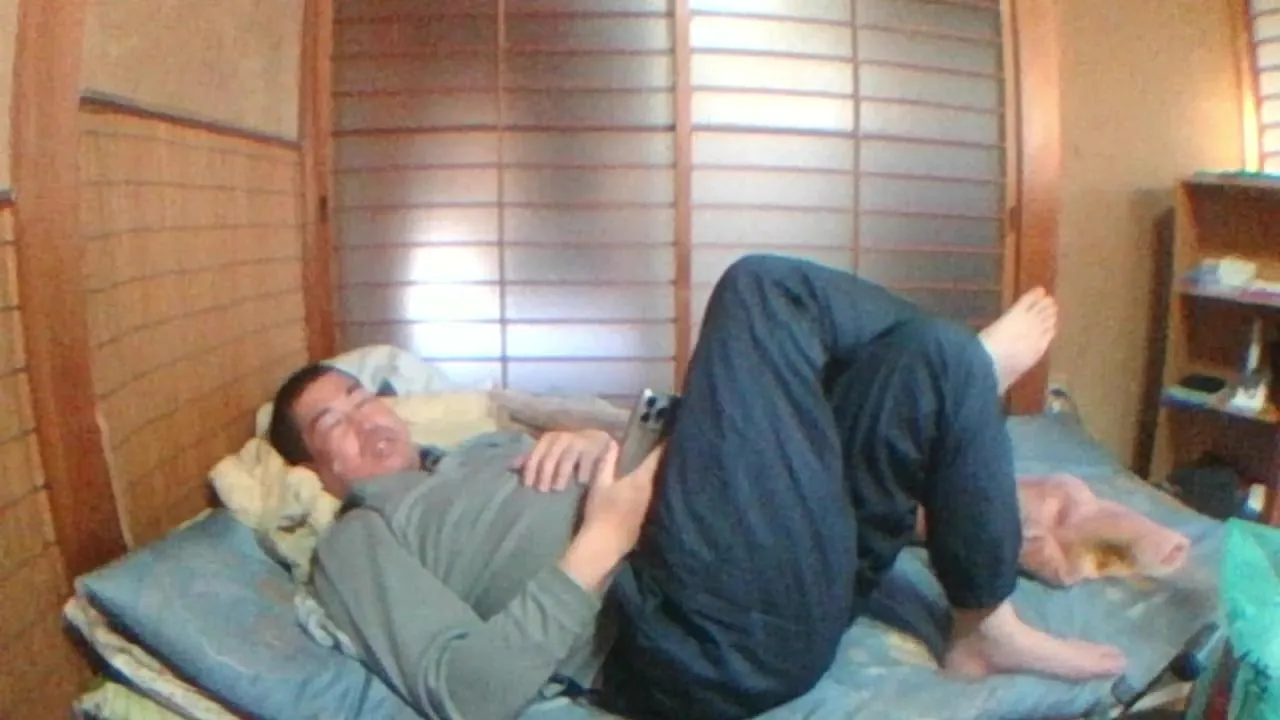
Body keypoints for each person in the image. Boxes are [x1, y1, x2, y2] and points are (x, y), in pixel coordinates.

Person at [269, 255, 1127, 720]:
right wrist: (601, 538)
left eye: (363, 397)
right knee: (760, 292)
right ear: (313, 469)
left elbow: (692, 451)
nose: (363, 417)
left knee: (923, 357)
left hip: (782, 574)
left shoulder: (485, 447)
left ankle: (981, 620)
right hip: (690, 635)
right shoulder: (357, 538)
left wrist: (601, 442)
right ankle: (973, 375)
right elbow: (467, 692)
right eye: (330, 423)